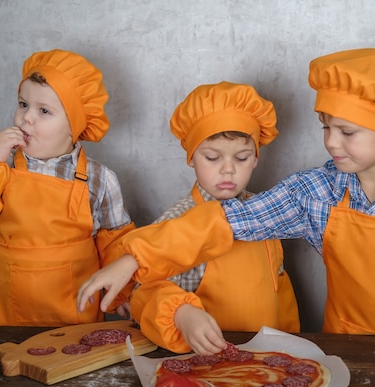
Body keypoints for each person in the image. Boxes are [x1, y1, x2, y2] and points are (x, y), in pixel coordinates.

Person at [75, 48, 375, 375]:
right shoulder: (313, 193)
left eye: (346, 131)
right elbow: (225, 220)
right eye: (325, 127)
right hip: (343, 355)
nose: (330, 143)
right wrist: (135, 258)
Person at [78, 82, 300, 354]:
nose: (228, 170)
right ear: (191, 157)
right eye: (212, 157)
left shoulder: (265, 214)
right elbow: (145, 294)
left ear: (255, 158)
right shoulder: (176, 221)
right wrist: (181, 315)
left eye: (241, 158)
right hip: (206, 364)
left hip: (266, 361)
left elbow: (280, 291)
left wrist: (291, 348)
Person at [0, 49, 135, 326]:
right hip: (9, 299)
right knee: (13, 359)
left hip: (75, 302)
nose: (26, 118)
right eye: (23, 104)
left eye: (44, 111)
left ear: (75, 124)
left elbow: (114, 241)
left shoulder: (98, 178)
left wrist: (122, 294)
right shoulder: (2, 166)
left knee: (73, 359)